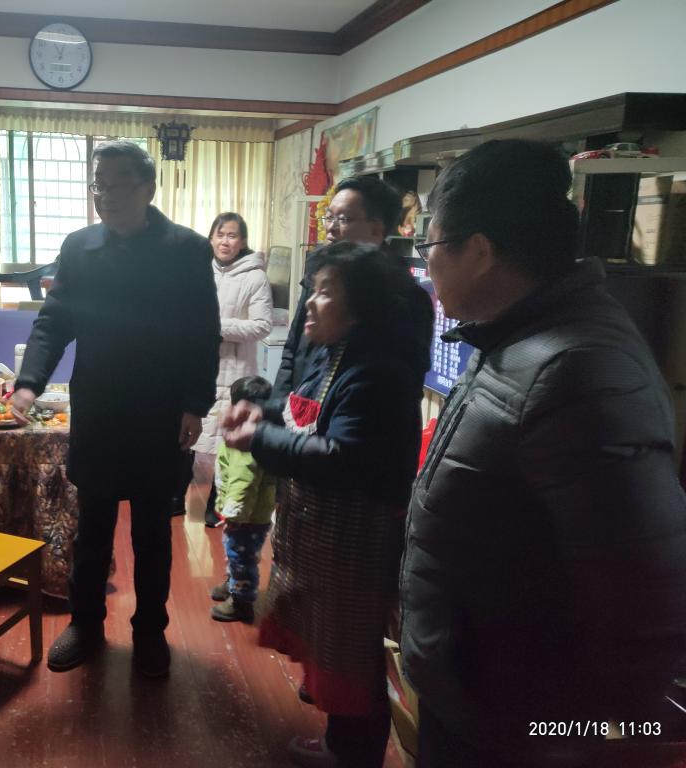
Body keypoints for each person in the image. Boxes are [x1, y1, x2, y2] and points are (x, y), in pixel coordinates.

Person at [401, 139, 686, 767]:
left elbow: (648, 600)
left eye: (431, 245)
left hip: (515, 726)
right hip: (476, 699)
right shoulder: (519, 335)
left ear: (480, 251)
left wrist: (568, 740)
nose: (427, 264)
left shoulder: (577, 367)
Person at [10, 140, 220, 678]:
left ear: (147, 187)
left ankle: (150, 630)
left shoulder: (186, 248)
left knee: (153, 532)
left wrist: (196, 403)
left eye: (117, 184)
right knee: (92, 528)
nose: (104, 195)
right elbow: (54, 320)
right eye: (97, 185)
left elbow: (203, 333)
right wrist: (29, 384)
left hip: (160, 412)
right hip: (100, 408)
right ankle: (85, 623)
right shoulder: (79, 248)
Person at [224, 243, 425, 768]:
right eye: (312, 290)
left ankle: (352, 754)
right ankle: (341, 744)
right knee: (333, 645)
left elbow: (342, 456)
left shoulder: (376, 371)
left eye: (325, 292)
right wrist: (262, 411)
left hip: (356, 539)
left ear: (361, 307)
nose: (309, 303)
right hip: (325, 533)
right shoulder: (337, 353)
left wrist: (258, 439)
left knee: (351, 657)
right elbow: (302, 410)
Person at [272, 175, 432, 403]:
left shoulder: (404, 299)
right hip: (301, 412)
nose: (331, 227)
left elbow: (399, 388)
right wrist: (274, 409)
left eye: (344, 219)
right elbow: (293, 350)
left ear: (376, 230)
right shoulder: (319, 276)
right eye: (329, 217)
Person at [175, 212, 272, 527]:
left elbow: (262, 325)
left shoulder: (255, 276)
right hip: (197, 364)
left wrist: (215, 327)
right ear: (211, 238)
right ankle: (175, 498)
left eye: (232, 235)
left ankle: (217, 506)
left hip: (234, 368)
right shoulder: (200, 269)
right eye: (220, 234)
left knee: (224, 440)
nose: (225, 241)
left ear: (242, 241)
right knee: (185, 430)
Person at [208, 375, 277, 623]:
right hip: (248, 515)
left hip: (247, 518)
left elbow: (243, 482)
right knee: (236, 552)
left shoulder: (247, 445)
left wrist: (235, 516)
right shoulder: (255, 435)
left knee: (242, 558)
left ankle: (242, 602)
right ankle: (233, 584)